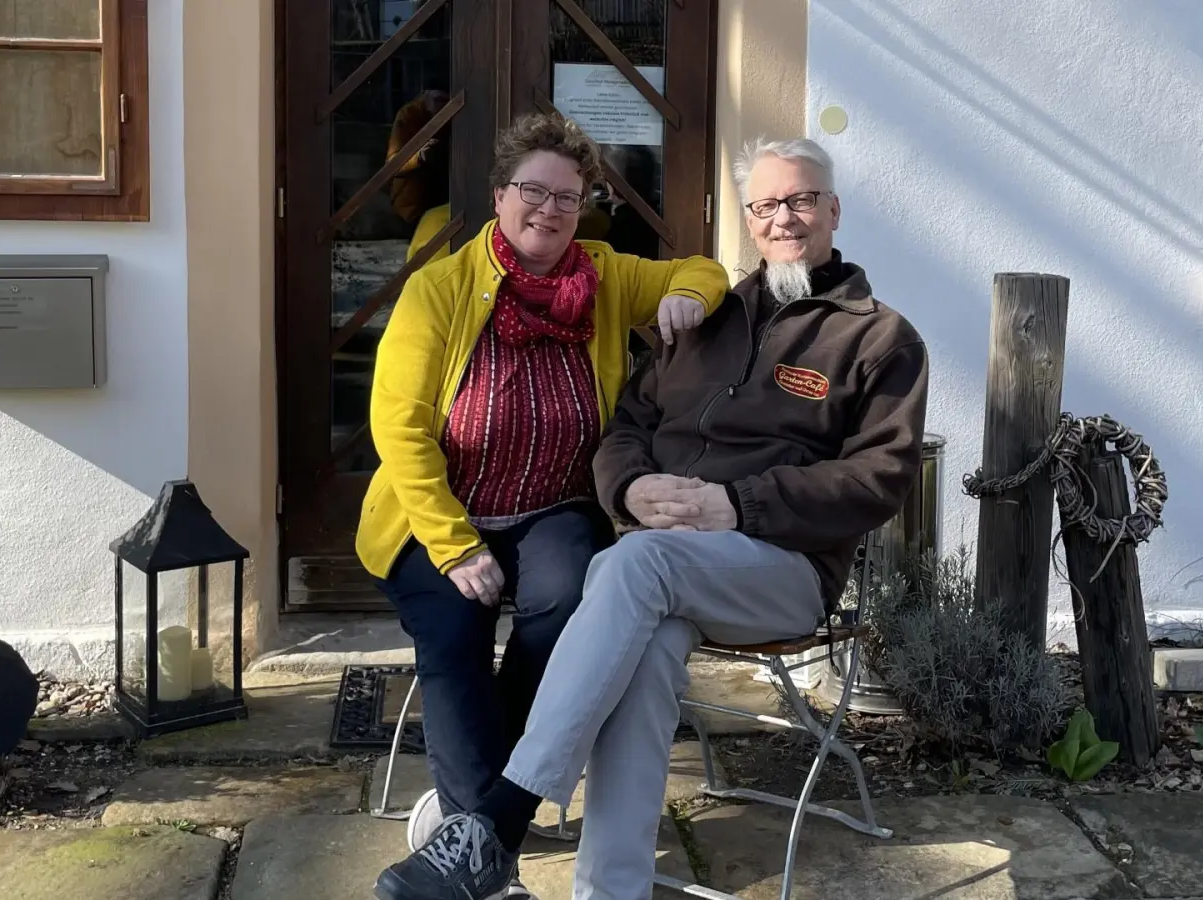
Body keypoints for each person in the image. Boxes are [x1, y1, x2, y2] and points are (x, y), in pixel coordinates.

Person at [372, 136, 931, 900]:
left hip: (782, 569)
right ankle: (611, 889)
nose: (785, 219)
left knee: (632, 564)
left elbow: (880, 478)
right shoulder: (708, 319)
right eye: (766, 205)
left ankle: (497, 823)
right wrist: (630, 492)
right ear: (747, 219)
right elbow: (627, 424)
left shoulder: (878, 338)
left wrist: (737, 503)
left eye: (801, 200)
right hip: (670, 572)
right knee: (645, 646)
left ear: (832, 209)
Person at [356, 112, 730, 899]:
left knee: (565, 611)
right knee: (455, 635)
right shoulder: (441, 289)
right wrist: (456, 547)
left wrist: (687, 301)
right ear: (500, 195)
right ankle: (491, 866)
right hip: (439, 512)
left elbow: (703, 270)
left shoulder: (604, 274)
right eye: (534, 190)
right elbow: (399, 428)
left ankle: (471, 834)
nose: (551, 209)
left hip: (552, 504)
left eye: (570, 195)